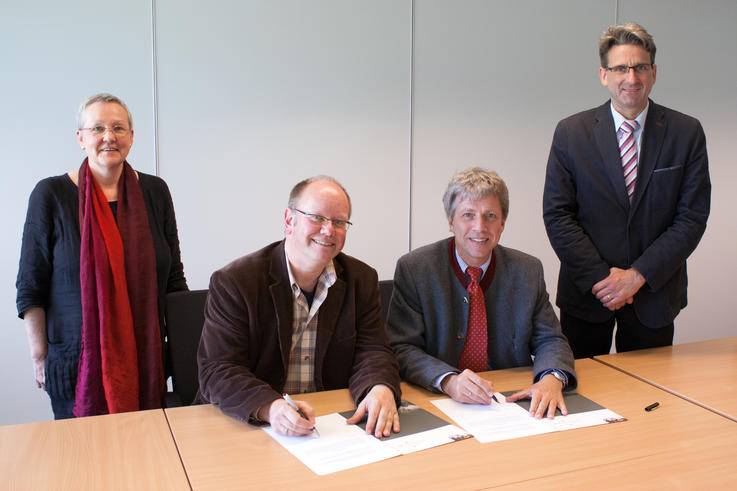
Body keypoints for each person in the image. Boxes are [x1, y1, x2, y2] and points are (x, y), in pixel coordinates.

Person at [543, 23, 711, 358]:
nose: (631, 78)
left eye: (640, 67)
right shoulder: (571, 132)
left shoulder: (686, 132)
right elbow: (558, 214)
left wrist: (637, 277)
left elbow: (691, 217)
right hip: (588, 293)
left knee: (651, 402)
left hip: (654, 292)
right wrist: (602, 280)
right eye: (621, 68)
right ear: (604, 74)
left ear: (654, 72)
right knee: (580, 393)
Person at [16, 93, 188, 419]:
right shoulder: (50, 195)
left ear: (132, 138)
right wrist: (39, 357)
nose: (109, 137)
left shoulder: (156, 191)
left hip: (147, 359)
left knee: (146, 458)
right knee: (85, 463)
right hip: (75, 364)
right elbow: (30, 284)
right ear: (81, 138)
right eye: (97, 128)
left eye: (118, 128)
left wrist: (183, 352)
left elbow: (174, 279)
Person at [196, 176, 402, 437]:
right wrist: (270, 407)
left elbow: (372, 350)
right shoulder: (236, 281)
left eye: (339, 222)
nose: (328, 230)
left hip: (330, 423)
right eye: (316, 217)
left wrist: (379, 387)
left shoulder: (361, 279)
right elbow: (218, 369)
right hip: (251, 423)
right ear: (289, 220)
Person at [386, 168, 576, 419]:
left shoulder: (527, 270)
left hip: (510, 402)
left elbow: (551, 340)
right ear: (451, 222)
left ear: (502, 224)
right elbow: (401, 347)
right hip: (439, 401)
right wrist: (448, 380)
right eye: (468, 215)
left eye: (490, 216)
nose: (480, 227)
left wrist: (552, 377)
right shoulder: (416, 269)